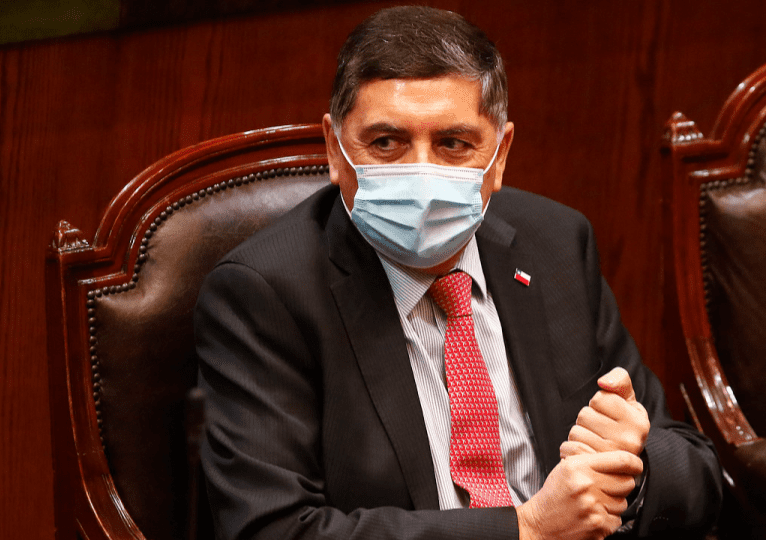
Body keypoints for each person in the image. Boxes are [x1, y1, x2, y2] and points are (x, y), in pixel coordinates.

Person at [194, 6, 722, 540]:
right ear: (335, 148)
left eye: (453, 144)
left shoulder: (554, 244)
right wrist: (526, 529)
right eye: (386, 143)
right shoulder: (264, 294)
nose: (420, 173)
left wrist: (633, 467)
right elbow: (274, 529)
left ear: (500, 155)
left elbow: (697, 469)